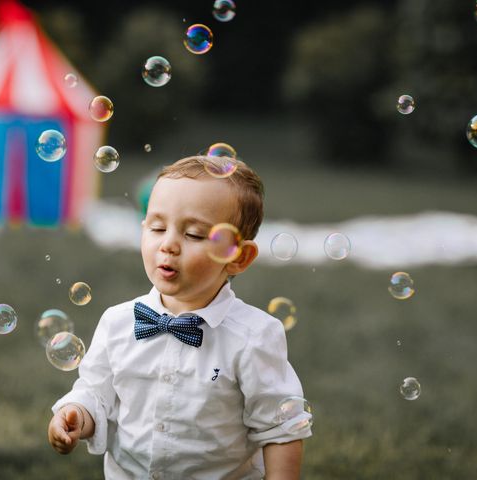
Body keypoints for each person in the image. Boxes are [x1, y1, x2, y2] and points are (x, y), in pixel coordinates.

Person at [48, 156, 311, 479]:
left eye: (195, 235)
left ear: (239, 257)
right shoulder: (118, 323)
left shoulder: (253, 336)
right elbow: (96, 394)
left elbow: (280, 427)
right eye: (157, 227)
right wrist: (76, 413)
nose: (168, 244)